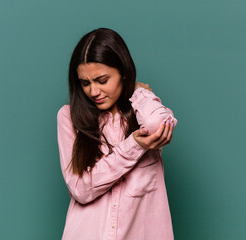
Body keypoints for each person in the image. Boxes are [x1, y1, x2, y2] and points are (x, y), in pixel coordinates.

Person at [56, 27, 178, 240]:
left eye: (102, 80)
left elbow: (158, 123)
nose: (94, 92)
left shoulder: (141, 113)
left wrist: (139, 92)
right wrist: (135, 145)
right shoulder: (68, 117)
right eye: (85, 83)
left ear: (123, 71)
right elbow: (81, 189)